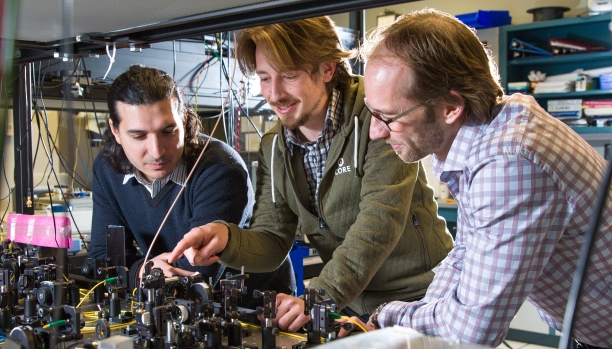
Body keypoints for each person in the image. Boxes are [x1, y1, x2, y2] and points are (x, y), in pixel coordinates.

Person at [169, 16, 453, 332]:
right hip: (350, 309)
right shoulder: (274, 146)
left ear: (327, 68)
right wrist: (225, 239)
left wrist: (319, 296)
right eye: (264, 78)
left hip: (420, 300)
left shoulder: (376, 117)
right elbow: (273, 238)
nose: (274, 94)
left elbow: (378, 223)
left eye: (289, 76)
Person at [356, 8, 612, 348]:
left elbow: (471, 332)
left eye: (388, 116)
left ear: (450, 107)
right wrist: (405, 316)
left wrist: (388, 316)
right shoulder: (490, 132)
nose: (376, 132)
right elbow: (465, 254)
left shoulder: (507, 162)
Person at [89, 65, 295, 301]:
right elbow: (102, 259)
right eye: (139, 136)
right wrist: (143, 271)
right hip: (169, 303)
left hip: (255, 306)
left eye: (168, 131)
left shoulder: (220, 169)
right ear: (115, 130)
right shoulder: (107, 169)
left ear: (184, 119)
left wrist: (138, 272)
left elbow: (197, 271)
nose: (157, 152)